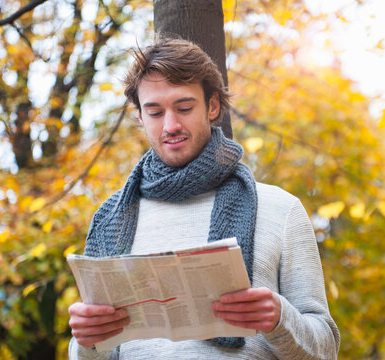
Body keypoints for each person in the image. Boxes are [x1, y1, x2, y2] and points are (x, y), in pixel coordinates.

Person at [68, 37, 340, 359]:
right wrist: (85, 342)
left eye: (184, 108)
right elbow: (90, 353)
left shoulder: (281, 210)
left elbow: (326, 349)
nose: (170, 125)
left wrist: (281, 318)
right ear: (140, 117)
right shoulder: (111, 219)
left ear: (212, 106)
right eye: (155, 112)